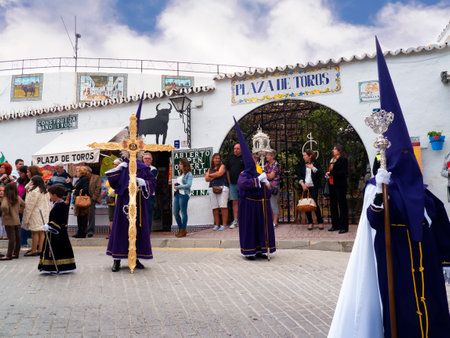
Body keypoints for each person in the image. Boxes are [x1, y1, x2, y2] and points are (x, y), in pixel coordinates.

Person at [234, 118, 276, 260]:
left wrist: (267, 184)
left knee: (261, 229)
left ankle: (262, 250)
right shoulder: (243, 174)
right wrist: (257, 180)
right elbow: (242, 185)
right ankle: (249, 251)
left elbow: (268, 191)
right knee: (251, 229)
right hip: (248, 207)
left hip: (261, 206)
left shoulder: (260, 173)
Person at [106, 157, 156, 272]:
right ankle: (116, 259)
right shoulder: (123, 166)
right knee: (121, 228)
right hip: (124, 200)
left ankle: (136, 258)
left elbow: (152, 181)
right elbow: (113, 183)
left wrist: (142, 182)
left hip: (138, 202)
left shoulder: (143, 167)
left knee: (138, 229)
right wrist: (117, 169)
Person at [38, 185, 76, 274]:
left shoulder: (61, 205)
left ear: (55, 195)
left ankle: (59, 267)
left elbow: (59, 219)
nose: (50, 196)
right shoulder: (57, 204)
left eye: (50, 194)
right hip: (54, 232)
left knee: (58, 249)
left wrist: (50, 226)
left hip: (58, 232)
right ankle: (50, 267)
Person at [22, 175, 51, 256]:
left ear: (34, 182)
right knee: (41, 232)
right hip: (44, 213)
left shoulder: (34, 191)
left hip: (35, 214)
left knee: (35, 232)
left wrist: (26, 217)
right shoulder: (45, 190)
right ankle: (40, 249)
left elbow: (30, 205)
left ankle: (34, 250)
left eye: (31, 181)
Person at [298, 149, 324, 230]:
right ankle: (310, 222)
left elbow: (320, 173)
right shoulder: (302, 164)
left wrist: (313, 167)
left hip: (313, 187)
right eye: (303, 155)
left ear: (310, 156)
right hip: (305, 187)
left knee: (314, 203)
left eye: (305, 155)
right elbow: (299, 175)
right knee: (306, 205)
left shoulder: (316, 163)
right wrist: (302, 184)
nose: (303, 157)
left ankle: (320, 221)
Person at [325, 145, 349, 234]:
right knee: (333, 205)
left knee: (342, 206)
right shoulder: (333, 160)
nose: (333, 150)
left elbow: (343, 172)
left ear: (339, 150)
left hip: (340, 185)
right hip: (332, 184)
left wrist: (331, 173)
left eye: (335, 149)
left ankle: (344, 227)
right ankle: (335, 225)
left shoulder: (343, 160)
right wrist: (329, 174)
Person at [0, 183, 25, 260]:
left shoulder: (6, 198)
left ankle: (9, 254)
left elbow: (4, 206)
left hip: (9, 221)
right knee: (17, 237)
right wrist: (20, 210)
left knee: (11, 238)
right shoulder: (17, 197)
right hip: (16, 219)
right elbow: (23, 204)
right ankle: (16, 253)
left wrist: (6, 213)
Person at [205, 153, 229, 231]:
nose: (217, 160)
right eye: (216, 158)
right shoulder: (210, 169)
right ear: (213, 159)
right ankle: (217, 224)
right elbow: (206, 179)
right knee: (214, 207)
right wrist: (215, 175)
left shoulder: (222, 166)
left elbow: (220, 173)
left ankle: (224, 224)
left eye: (218, 158)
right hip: (212, 188)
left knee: (223, 206)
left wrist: (211, 175)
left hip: (222, 187)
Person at [226, 143, 244, 229]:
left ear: (241, 149)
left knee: (243, 201)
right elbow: (227, 171)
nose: (235, 150)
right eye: (234, 148)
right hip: (232, 184)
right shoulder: (230, 158)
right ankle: (235, 220)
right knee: (234, 202)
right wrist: (229, 181)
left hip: (242, 184)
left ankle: (243, 220)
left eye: (237, 149)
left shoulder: (244, 158)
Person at [173, 158, 192, 237]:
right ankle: (181, 229)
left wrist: (179, 187)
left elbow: (188, 185)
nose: (179, 165)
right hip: (177, 194)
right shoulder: (181, 174)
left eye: (180, 164)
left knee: (183, 213)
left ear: (184, 165)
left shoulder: (189, 174)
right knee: (175, 212)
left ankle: (183, 230)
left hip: (184, 194)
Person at [72, 166, 90, 238]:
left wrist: (76, 191)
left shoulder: (85, 179)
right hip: (78, 200)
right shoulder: (78, 180)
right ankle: (79, 232)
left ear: (82, 172)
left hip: (82, 200)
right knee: (79, 216)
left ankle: (82, 233)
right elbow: (74, 188)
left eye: (78, 171)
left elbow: (86, 189)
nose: (77, 173)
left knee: (83, 217)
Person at [265, 150, 281, 228]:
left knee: (273, 203)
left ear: (272, 156)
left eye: (268, 155)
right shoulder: (266, 164)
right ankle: (270, 220)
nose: (266, 157)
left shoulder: (276, 164)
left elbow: (271, 176)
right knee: (268, 203)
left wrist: (265, 174)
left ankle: (275, 221)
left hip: (274, 186)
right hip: (267, 185)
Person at [142, 152, 157, 232]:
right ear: (143, 159)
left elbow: (149, 179)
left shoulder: (153, 169)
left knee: (148, 214)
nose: (147, 160)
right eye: (145, 158)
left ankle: (147, 232)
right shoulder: (139, 168)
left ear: (151, 160)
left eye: (149, 158)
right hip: (140, 194)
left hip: (150, 195)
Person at [17, 165, 30, 248]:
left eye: (21, 173)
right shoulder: (19, 181)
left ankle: (24, 242)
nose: (20, 175)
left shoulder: (29, 182)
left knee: (24, 224)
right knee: (20, 223)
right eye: (19, 173)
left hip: (25, 205)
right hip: (18, 204)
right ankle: (20, 242)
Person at [87, 167, 101, 237]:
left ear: (89, 171)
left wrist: (93, 198)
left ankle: (90, 230)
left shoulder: (96, 177)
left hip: (91, 198)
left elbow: (98, 188)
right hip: (84, 198)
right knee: (83, 215)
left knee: (91, 215)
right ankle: (83, 230)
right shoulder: (83, 177)